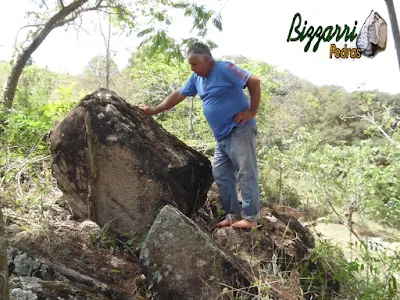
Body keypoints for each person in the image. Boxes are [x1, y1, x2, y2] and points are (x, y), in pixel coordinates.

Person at [139, 42, 261, 229]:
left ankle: (251, 217)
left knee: (246, 171)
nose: (192, 68)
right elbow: (179, 94)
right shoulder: (196, 78)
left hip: (239, 129)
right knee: (221, 173)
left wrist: (252, 112)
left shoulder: (224, 68)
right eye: (190, 64)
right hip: (222, 136)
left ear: (206, 59)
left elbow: (254, 81)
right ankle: (233, 215)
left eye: (195, 63)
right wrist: (154, 110)